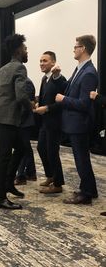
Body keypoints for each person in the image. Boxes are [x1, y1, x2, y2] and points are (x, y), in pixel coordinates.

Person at [55, 35, 98, 204]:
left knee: (81, 159)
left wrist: (63, 99)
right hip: (75, 122)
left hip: (80, 123)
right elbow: (70, 88)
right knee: (81, 158)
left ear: (83, 49)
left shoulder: (88, 73)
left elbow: (84, 104)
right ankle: (90, 189)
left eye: (76, 47)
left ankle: (86, 194)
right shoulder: (80, 68)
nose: (73, 49)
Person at [0, 34, 32, 210]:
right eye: (25, 48)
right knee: (4, 158)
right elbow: (21, 95)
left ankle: (8, 183)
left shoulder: (3, 69)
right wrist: (31, 107)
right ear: (18, 51)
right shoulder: (19, 68)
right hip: (9, 120)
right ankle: (0, 198)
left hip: (1, 118)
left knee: (22, 148)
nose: (26, 51)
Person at [34, 51, 66, 194]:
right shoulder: (43, 79)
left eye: (45, 61)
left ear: (53, 62)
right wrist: (38, 105)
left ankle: (58, 184)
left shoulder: (58, 78)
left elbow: (62, 102)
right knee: (41, 148)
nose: (41, 63)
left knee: (52, 152)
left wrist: (46, 108)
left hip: (55, 122)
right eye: (40, 61)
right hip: (45, 122)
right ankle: (51, 176)